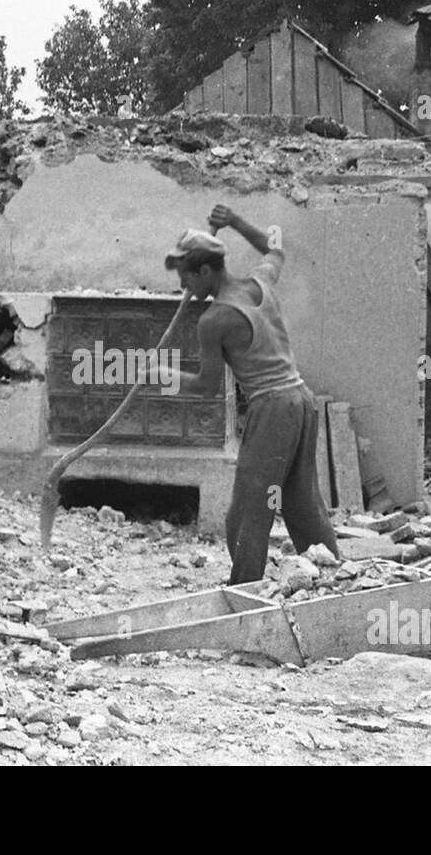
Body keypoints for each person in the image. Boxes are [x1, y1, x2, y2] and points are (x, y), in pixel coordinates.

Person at [158, 204, 339, 584]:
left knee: (247, 510)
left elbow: (207, 387)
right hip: (302, 400)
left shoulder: (215, 320)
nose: (183, 289)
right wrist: (236, 222)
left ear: (205, 271)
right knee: (300, 502)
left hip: (273, 408)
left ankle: (245, 592)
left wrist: (162, 377)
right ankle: (334, 577)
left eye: (187, 279)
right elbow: (276, 250)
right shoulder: (261, 282)